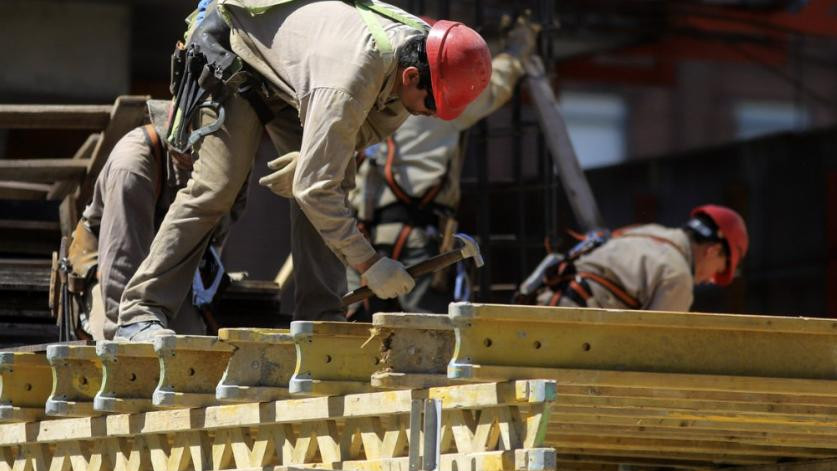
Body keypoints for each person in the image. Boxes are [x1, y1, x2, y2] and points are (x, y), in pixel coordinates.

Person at [116, 0, 492, 341]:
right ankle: (140, 313)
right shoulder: (353, 76)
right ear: (411, 77)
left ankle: (322, 323)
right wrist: (369, 263)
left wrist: (316, 157)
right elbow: (316, 189)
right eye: (429, 105)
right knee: (217, 187)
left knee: (334, 175)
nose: (427, 114)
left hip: (298, 78)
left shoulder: (418, 57)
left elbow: (366, 129)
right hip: (235, 53)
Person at [341, 15, 539, 318]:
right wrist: (516, 49)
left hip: (363, 237)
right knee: (428, 325)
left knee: (357, 323)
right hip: (417, 233)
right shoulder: (440, 102)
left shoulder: (373, 94)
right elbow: (495, 86)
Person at [71, 100, 244, 340]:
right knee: (121, 350)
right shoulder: (132, 166)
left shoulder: (231, 164)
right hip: (111, 276)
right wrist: (123, 343)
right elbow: (120, 266)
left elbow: (218, 230)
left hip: (169, 273)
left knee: (191, 350)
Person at [519, 205, 748, 312]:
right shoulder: (677, 276)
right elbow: (654, 349)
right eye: (719, 270)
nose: (710, 280)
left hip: (544, 305)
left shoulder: (647, 231)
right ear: (713, 251)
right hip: (573, 327)